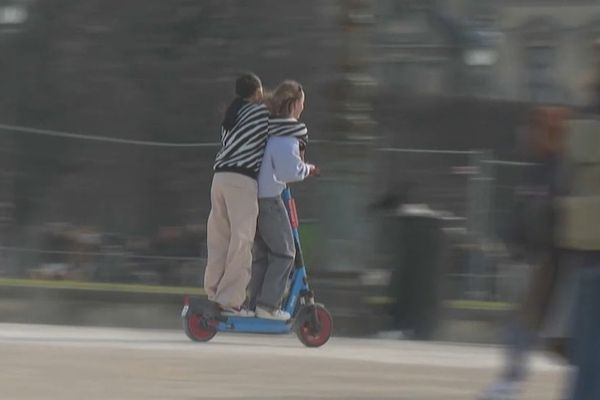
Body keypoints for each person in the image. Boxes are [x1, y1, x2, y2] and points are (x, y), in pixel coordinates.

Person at [247, 80, 318, 320]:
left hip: (254, 197)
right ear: (295, 104)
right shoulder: (287, 136)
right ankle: (268, 306)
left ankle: (253, 304)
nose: (302, 109)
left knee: (264, 256)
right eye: (302, 104)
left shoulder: (269, 130)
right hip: (270, 200)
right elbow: (289, 171)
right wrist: (309, 169)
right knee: (285, 254)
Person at [203, 73, 270, 317]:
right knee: (242, 243)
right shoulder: (260, 113)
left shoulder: (231, 114)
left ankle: (213, 292)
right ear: (257, 92)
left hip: (219, 178)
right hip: (241, 181)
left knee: (219, 239)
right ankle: (230, 300)